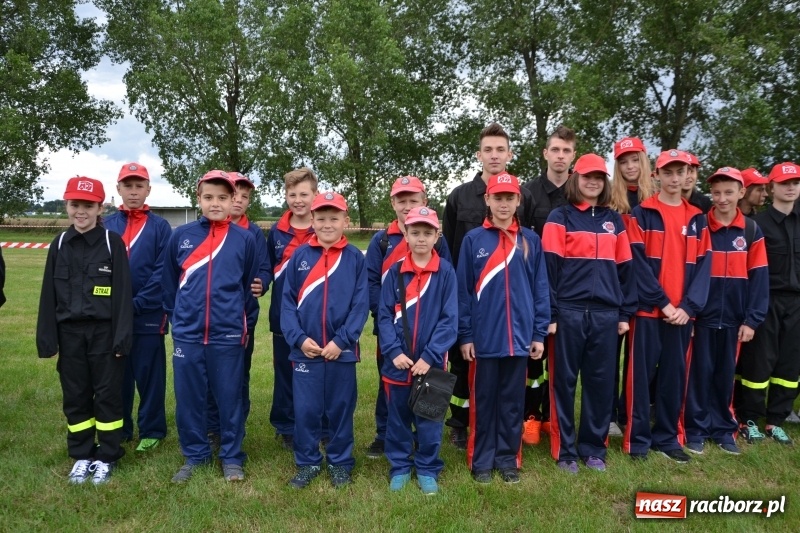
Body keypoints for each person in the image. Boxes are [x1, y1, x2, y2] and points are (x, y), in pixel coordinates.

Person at [442, 122, 535, 450]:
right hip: (465, 294)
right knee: (461, 361)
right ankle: (458, 422)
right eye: (488, 149)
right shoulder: (459, 196)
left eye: (500, 149)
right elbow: (449, 247)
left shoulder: (526, 196)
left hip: (507, 304)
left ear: (509, 154)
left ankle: (509, 428)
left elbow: (527, 247)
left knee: (503, 370)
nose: (494, 155)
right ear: (479, 154)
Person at [542, 154, 637, 473]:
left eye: (599, 177)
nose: (593, 182)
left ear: (605, 182)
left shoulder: (615, 220)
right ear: (575, 179)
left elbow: (626, 270)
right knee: (563, 383)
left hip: (606, 315)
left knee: (600, 383)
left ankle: (593, 447)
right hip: (568, 312)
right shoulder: (560, 217)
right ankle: (566, 450)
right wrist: (551, 314)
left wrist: (623, 313)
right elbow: (549, 272)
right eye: (587, 176)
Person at [36, 176, 133, 485]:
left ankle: (107, 456)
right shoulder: (59, 244)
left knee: (107, 394)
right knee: (76, 394)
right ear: (67, 205)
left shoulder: (111, 243)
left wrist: (122, 337)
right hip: (70, 335)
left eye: (88, 206)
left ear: (100, 207)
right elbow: (47, 296)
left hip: (104, 334)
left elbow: (122, 295)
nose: (81, 212)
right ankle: (81, 455)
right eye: (74, 204)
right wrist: (47, 337)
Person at [163, 170, 258, 483]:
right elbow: (169, 286)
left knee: (229, 398)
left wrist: (235, 321)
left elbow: (247, 286)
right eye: (208, 197)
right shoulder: (181, 236)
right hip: (188, 335)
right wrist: (181, 320)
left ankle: (231, 456)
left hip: (228, 333)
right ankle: (195, 455)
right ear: (198, 199)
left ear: (233, 201)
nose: (215, 203)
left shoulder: (245, 239)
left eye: (222, 197)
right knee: (189, 399)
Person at [457, 172, 549, 484]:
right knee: (483, 402)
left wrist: (538, 333)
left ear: (518, 200)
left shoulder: (530, 241)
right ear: (487, 199)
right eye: (498, 197)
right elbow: (464, 293)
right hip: (485, 340)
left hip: (520, 339)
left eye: (510, 198)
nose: (504, 204)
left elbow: (540, 289)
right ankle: (481, 460)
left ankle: (508, 458)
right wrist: (466, 335)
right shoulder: (473, 241)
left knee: (512, 403)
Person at [623, 149, 711, 463]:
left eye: (681, 172)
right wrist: (663, 303)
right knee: (640, 378)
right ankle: (637, 441)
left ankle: (667, 438)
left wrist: (688, 307)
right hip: (649, 312)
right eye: (669, 172)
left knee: (674, 377)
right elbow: (637, 264)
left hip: (682, 316)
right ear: (657, 175)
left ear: (688, 175)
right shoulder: (642, 214)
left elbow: (704, 267)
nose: (675, 179)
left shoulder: (697, 218)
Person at [282, 192, 368, 489]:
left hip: (340, 352)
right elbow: (287, 304)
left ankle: (340, 462)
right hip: (305, 352)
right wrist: (299, 339)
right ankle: (307, 462)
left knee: (340, 409)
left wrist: (342, 341)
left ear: (346, 221)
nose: (327, 224)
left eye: (334, 218)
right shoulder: (300, 257)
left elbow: (360, 306)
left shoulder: (356, 258)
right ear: (312, 221)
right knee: (306, 410)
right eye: (321, 218)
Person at [365, 176, 451, 459]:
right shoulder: (381, 240)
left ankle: (422, 441)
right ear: (392, 203)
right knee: (389, 383)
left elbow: (446, 289)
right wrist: (387, 318)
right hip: (392, 328)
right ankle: (385, 433)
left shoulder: (439, 242)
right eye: (401, 200)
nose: (406, 205)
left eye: (412, 199)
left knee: (427, 387)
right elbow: (373, 282)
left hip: (428, 335)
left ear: (423, 201)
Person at [685, 167, 768, 456]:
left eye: (729, 192)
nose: (722, 198)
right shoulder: (699, 226)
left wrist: (752, 320)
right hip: (702, 319)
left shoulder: (751, 230)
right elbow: (690, 273)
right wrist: (691, 314)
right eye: (717, 193)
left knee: (724, 376)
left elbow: (759, 277)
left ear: (741, 193)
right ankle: (695, 430)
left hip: (734, 320)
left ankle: (722, 429)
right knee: (698, 375)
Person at [378, 206, 457, 494]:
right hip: (397, 362)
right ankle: (399, 466)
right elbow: (384, 315)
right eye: (415, 232)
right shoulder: (396, 272)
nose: (421, 238)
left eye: (427, 233)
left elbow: (450, 321)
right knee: (397, 420)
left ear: (437, 235)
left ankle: (427, 467)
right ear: (406, 235)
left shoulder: (446, 272)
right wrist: (393, 351)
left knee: (430, 419)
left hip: (431, 365)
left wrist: (429, 356)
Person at [104, 162, 172, 453]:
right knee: (117, 375)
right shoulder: (106, 225)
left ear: (148, 189)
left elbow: (163, 272)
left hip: (149, 315)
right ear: (118, 188)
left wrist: (136, 304)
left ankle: (152, 429)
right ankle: (120, 429)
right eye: (128, 186)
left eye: (139, 186)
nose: (133, 192)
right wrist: (113, 305)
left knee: (149, 376)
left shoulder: (160, 227)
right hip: (111, 317)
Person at [735, 162, 800, 445]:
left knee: (789, 366)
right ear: (771, 187)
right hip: (767, 301)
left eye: (795, 183)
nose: (790, 188)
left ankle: (776, 420)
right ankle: (749, 419)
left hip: (797, 304)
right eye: (784, 183)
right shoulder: (757, 225)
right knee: (758, 364)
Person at [520, 124, 577, 445]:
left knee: (563, 361)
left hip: (570, 290)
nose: (560, 156)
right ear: (545, 153)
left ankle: (553, 417)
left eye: (566, 151)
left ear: (573, 155)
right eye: (555, 149)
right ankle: (531, 416)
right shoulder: (528, 193)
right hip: (534, 290)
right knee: (534, 359)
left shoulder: (579, 191)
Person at [206, 172, 269, 443]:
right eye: (236, 195)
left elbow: (264, 267)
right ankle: (212, 425)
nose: (239, 201)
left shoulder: (252, 232)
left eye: (245, 197)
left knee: (239, 372)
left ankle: (236, 424)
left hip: (243, 317)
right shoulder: (205, 230)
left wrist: (262, 282)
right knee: (209, 375)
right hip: (209, 320)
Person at [265, 167, 318, 450]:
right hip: (282, 318)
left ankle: (318, 423)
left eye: (304, 194)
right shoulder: (276, 232)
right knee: (285, 373)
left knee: (315, 373)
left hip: (315, 315)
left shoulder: (322, 227)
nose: (298, 200)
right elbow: (266, 268)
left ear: (315, 195)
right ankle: (285, 425)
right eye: (292, 194)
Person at [608, 136, 655, 438]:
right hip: (616, 287)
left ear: (644, 161)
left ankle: (633, 413)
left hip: (649, 290)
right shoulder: (610, 202)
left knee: (641, 360)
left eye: (634, 159)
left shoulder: (657, 200)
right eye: (623, 161)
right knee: (610, 356)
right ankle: (610, 414)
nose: (629, 166)